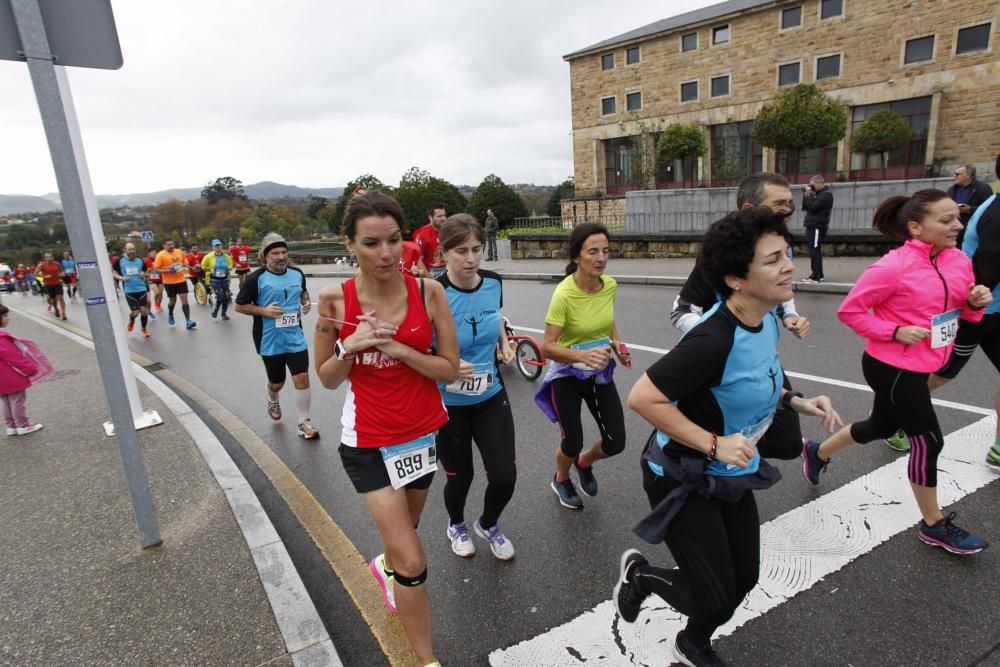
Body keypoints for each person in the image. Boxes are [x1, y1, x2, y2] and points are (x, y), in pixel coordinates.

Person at [614, 208, 841, 667]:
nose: (789, 266)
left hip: (730, 471)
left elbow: (757, 378)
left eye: (788, 255)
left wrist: (797, 402)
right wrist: (715, 444)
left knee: (744, 578)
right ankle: (640, 578)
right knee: (714, 596)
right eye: (774, 259)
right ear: (737, 277)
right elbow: (641, 398)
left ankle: (691, 643)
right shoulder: (711, 339)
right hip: (681, 473)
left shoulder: (765, 320)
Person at [801, 189, 992, 555]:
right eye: (947, 219)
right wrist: (894, 331)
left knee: (880, 427)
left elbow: (961, 314)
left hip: (923, 363)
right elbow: (851, 312)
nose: (958, 225)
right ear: (916, 227)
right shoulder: (892, 267)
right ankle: (933, 524)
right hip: (891, 366)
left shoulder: (958, 261)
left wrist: (972, 302)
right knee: (929, 440)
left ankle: (816, 452)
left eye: (958, 217)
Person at [313, 190, 458, 667]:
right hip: (369, 443)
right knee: (413, 562)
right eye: (372, 243)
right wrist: (349, 345)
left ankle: (386, 566)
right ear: (350, 244)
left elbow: (449, 369)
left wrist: (400, 351)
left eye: (394, 240)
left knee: (406, 537)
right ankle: (427, 660)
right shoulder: (334, 301)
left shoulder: (427, 292)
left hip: (422, 435)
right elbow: (328, 379)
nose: (386, 254)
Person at [670, 172, 811, 464]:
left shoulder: (782, 243)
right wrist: (725, 341)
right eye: (779, 204)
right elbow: (681, 309)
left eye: (791, 203)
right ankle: (701, 458)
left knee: (788, 445)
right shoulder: (725, 255)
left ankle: (737, 454)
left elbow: (782, 291)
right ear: (750, 210)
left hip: (760, 353)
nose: (788, 211)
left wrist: (790, 316)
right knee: (713, 433)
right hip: (724, 362)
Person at [435, 213, 517, 560]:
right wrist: (445, 367)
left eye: (476, 249)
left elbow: (494, 315)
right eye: (461, 251)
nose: (470, 259)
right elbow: (419, 346)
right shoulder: (434, 292)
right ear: (444, 253)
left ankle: (488, 523)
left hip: (489, 394)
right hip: (447, 403)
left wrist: (504, 342)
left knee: (504, 476)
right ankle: (456, 524)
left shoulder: (494, 282)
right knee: (461, 477)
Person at [536, 222, 631, 510]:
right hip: (566, 375)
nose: (601, 258)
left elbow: (608, 323)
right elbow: (547, 346)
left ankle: (584, 463)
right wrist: (581, 357)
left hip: (599, 373)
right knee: (571, 440)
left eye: (605, 251)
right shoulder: (564, 294)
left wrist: (618, 346)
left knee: (615, 442)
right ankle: (562, 478)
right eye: (593, 251)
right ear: (577, 256)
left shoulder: (609, 286)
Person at [235, 233, 318, 439]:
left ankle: (304, 422)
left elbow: (302, 292)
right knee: (277, 382)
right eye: (275, 253)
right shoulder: (255, 279)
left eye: (284, 252)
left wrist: (306, 302)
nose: (281, 257)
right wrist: (264, 311)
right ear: (265, 256)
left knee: (302, 377)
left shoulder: (297, 273)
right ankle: (272, 396)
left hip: (294, 336)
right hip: (268, 338)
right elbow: (239, 306)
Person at [0, 304, 52, 435]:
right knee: (17, 401)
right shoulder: (2, 339)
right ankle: (23, 425)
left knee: (6, 402)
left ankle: (11, 426)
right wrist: (30, 369)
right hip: (10, 377)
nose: (8, 318)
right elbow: (14, 357)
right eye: (5, 316)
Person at [153, 239, 196, 329]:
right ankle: (171, 313)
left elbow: (184, 262)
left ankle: (188, 321)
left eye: (172, 244)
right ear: (164, 246)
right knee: (172, 301)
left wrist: (192, 268)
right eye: (168, 245)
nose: (171, 246)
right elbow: (156, 269)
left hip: (181, 280)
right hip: (169, 282)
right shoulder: (160, 255)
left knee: (184, 299)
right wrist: (169, 270)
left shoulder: (179, 252)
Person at [112, 242, 151, 338]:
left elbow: (146, 271)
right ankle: (131, 320)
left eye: (133, 249)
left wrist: (144, 274)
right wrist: (121, 278)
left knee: (144, 310)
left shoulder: (139, 259)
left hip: (141, 288)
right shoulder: (120, 261)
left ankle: (144, 329)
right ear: (125, 250)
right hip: (129, 290)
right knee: (135, 312)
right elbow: (114, 273)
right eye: (129, 249)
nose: (132, 251)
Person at [801, 174, 833, 283]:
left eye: (813, 184)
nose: (811, 186)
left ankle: (816, 276)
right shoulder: (818, 194)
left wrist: (810, 195)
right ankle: (817, 274)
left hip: (817, 227)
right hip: (812, 226)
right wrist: (807, 194)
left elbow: (813, 207)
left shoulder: (826, 195)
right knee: (813, 250)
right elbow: (805, 207)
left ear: (820, 183)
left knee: (814, 250)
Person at [947, 164, 992, 236]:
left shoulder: (983, 188)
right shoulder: (952, 189)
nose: (954, 176)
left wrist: (969, 209)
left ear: (968, 175)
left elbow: (989, 209)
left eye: (957, 174)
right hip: (954, 229)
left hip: (973, 229)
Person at [201, 239, 234, 320]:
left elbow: (231, 264)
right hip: (214, 280)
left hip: (225, 279)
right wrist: (209, 269)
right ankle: (215, 310)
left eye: (219, 246)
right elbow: (203, 266)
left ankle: (223, 314)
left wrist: (228, 268)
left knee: (226, 296)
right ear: (213, 247)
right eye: (216, 246)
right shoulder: (208, 256)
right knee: (221, 296)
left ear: (221, 246)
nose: (218, 247)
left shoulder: (226, 256)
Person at [413, 203, 447, 277]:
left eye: (444, 215)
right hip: (428, 277)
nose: (443, 219)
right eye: (439, 216)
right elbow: (418, 260)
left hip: (446, 275)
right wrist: (429, 279)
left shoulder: (448, 232)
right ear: (430, 217)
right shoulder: (421, 234)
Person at [35, 252, 65, 320]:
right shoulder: (42, 265)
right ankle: (56, 309)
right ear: (45, 258)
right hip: (48, 284)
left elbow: (62, 271)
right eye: (47, 257)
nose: (49, 258)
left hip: (57, 283)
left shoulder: (57, 263)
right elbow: (35, 273)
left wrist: (62, 274)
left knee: (61, 298)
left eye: (50, 256)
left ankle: (63, 313)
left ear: (52, 257)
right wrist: (45, 276)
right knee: (53, 300)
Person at [143, 248, 162, 316]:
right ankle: (155, 304)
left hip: (160, 279)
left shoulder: (159, 259)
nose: (154, 253)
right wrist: (148, 271)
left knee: (161, 294)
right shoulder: (146, 261)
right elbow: (144, 270)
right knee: (157, 292)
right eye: (152, 252)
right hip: (151, 280)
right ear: (149, 253)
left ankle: (158, 304)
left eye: (155, 252)